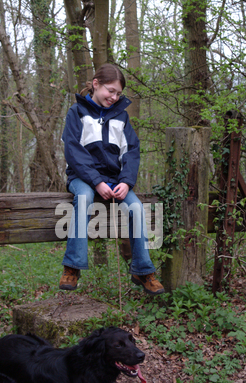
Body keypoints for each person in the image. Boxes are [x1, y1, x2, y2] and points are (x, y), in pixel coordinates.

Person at [59, 63, 164, 296]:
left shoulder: (122, 117)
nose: (114, 97)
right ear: (96, 84)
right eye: (110, 90)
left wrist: (126, 182)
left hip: (115, 179)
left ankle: (142, 270)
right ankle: (72, 266)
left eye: (118, 93)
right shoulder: (76, 113)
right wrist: (96, 182)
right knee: (85, 197)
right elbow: (73, 151)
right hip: (81, 177)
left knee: (136, 207)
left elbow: (131, 152)